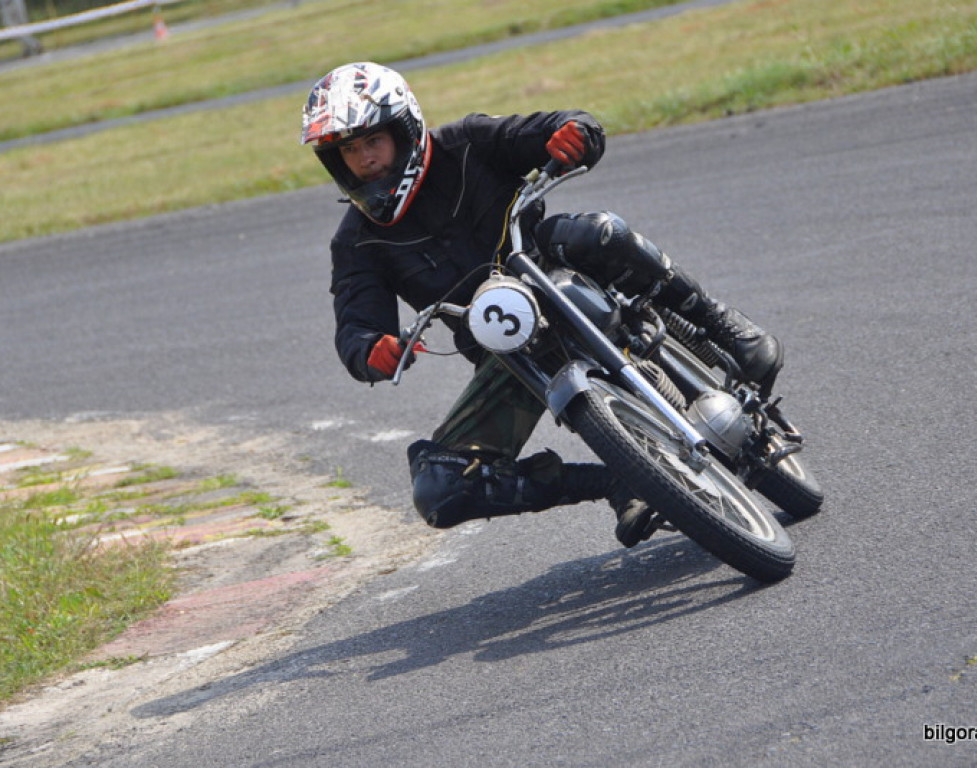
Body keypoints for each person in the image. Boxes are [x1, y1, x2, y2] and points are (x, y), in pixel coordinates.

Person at [301, 62, 783, 548]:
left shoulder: (466, 142)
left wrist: (573, 134)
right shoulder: (356, 243)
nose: (364, 160)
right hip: (504, 352)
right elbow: (356, 321)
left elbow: (554, 127)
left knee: (594, 229)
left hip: (556, 270)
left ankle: (723, 327)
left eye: (372, 142)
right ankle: (620, 480)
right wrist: (370, 351)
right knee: (440, 489)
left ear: (403, 129)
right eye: (348, 150)